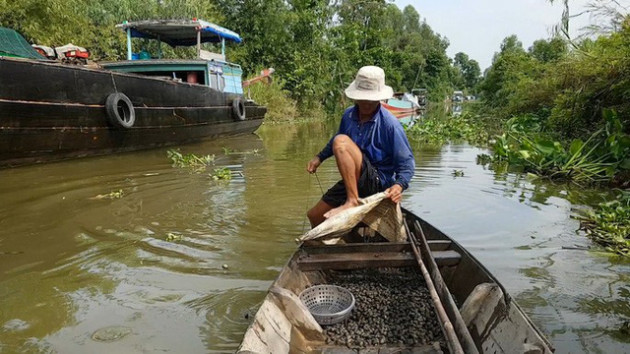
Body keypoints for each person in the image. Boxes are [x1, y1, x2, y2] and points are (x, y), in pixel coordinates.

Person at [306, 66, 415, 227]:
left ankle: (352, 201)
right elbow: (336, 140)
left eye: (371, 99)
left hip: (378, 181)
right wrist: (319, 157)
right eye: (362, 98)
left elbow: (407, 165)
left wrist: (399, 185)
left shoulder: (390, 125)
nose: (366, 103)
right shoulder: (349, 115)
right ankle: (338, 245)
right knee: (315, 216)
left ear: (379, 98)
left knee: (341, 142)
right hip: (355, 181)